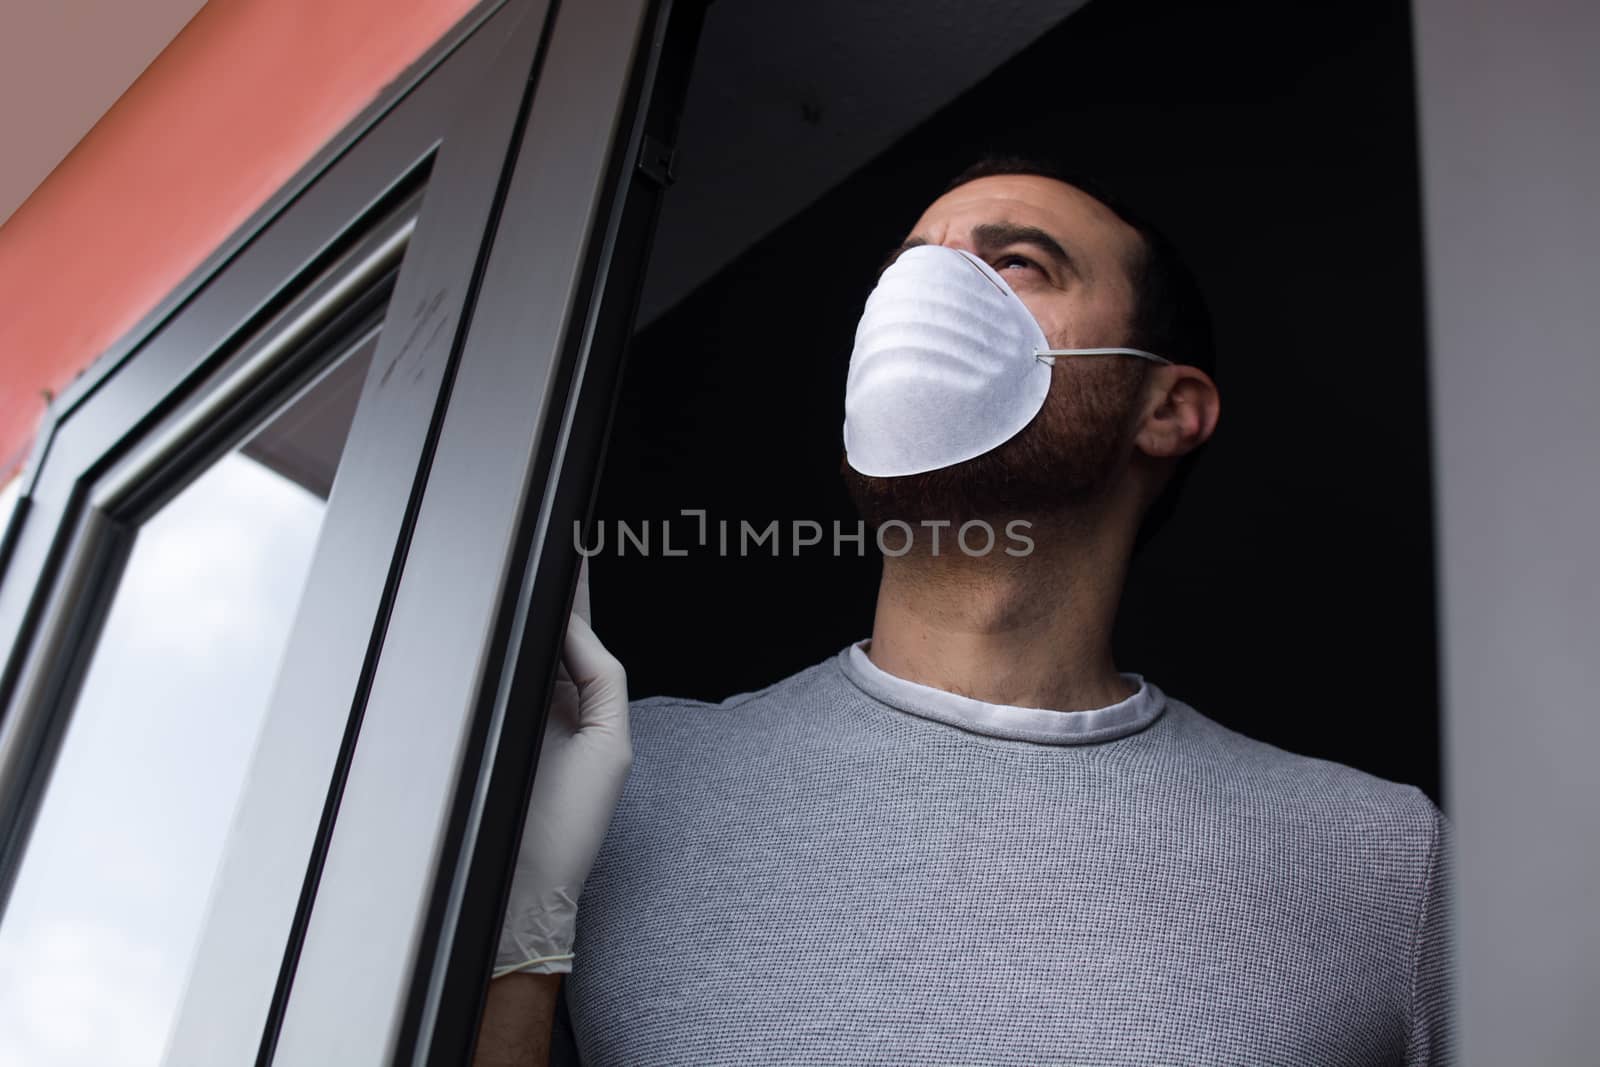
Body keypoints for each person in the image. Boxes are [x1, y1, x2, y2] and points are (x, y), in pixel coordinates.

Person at [474, 158, 1454, 1066]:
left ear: (1167, 408)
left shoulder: (1376, 860)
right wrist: (517, 927)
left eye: (1016, 262)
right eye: (907, 269)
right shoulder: (621, 786)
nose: (925, 297)